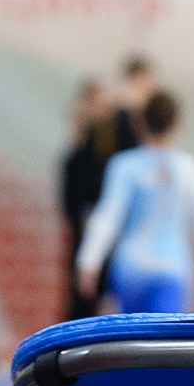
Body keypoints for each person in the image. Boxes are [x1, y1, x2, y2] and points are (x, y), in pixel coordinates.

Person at [75, 90, 194, 315]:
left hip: (131, 269)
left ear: (139, 124)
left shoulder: (124, 166)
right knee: (161, 346)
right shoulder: (189, 168)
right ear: (178, 125)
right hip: (171, 268)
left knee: (131, 345)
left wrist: (89, 260)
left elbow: (108, 216)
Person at [59, 80, 123, 318]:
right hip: (84, 230)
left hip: (111, 235)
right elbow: (70, 204)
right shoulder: (74, 158)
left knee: (109, 295)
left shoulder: (113, 154)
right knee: (83, 296)